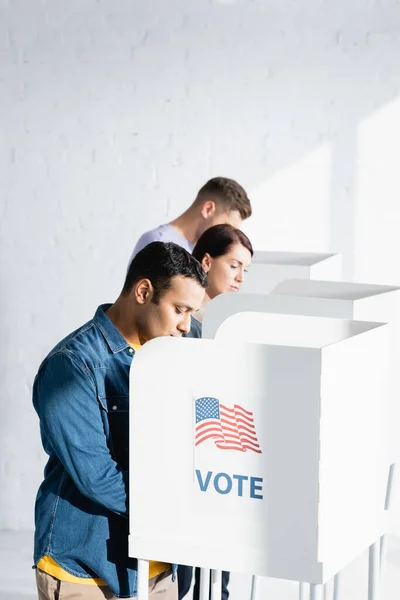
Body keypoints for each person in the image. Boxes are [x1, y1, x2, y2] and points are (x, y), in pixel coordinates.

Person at [33, 242, 207, 600]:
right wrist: (178, 507)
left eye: (193, 312)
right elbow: (98, 477)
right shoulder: (72, 366)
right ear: (143, 291)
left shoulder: (180, 348)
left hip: (159, 563)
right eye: (179, 309)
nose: (186, 325)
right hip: (86, 569)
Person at [181, 224, 253, 600]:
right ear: (206, 261)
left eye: (246, 269)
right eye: (234, 265)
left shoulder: (231, 324)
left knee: (218, 576)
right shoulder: (181, 326)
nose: (241, 277)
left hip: (222, 462)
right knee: (186, 573)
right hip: (190, 460)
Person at [129, 177, 252, 264]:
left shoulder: (206, 254)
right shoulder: (158, 242)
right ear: (208, 209)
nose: (227, 235)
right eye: (225, 226)